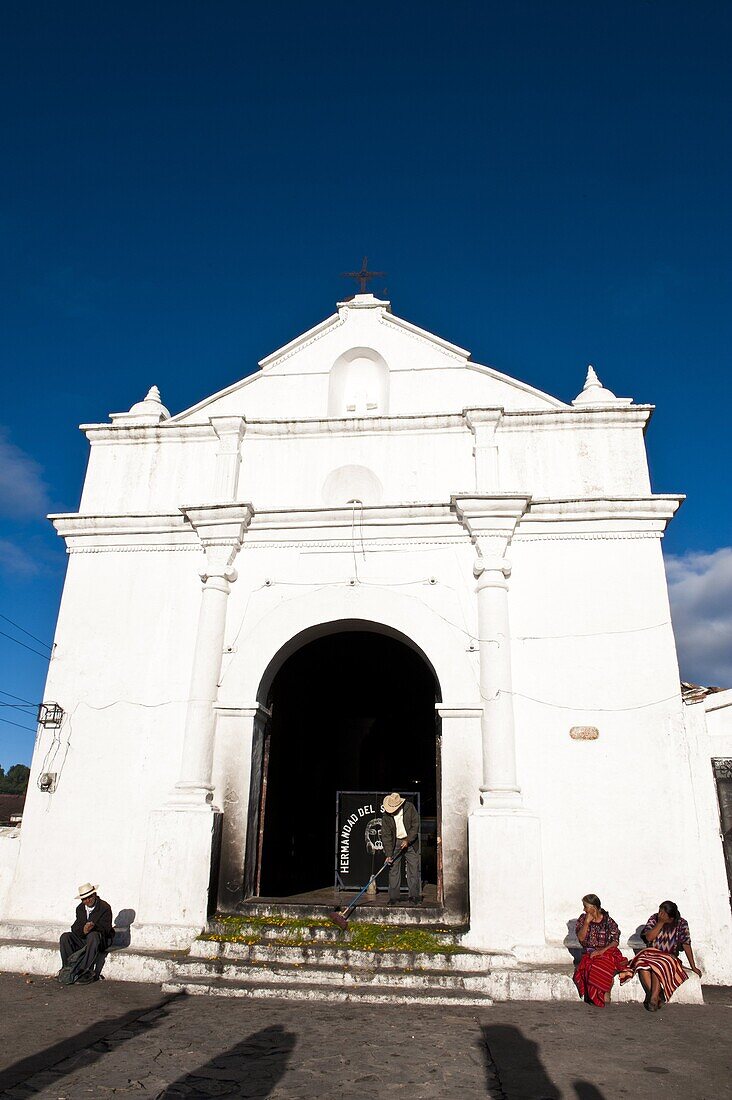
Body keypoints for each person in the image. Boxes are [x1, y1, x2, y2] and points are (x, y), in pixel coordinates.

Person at [619, 900, 702, 1010]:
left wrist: (693, 966)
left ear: (671, 918)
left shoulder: (681, 923)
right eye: (659, 911)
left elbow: (686, 944)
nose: (660, 914)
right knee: (642, 963)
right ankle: (656, 996)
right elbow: (649, 938)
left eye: (663, 913)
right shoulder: (654, 919)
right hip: (651, 953)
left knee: (657, 964)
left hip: (669, 957)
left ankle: (653, 998)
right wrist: (660, 923)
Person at [572, 893, 628, 1007]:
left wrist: (602, 951)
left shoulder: (608, 921)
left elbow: (615, 940)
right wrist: (587, 923)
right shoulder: (583, 920)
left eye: (585, 906)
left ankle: (603, 996)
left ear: (593, 908)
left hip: (607, 952)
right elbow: (581, 938)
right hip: (589, 953)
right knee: (590, 966)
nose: (584, 909)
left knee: (602, 966)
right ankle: (599, 997)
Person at [59, 882, 114, 984]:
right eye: (84, 899)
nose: (87, 900)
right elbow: (75, 927)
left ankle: (84, 971)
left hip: (99, 941)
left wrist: (94, 927)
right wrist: (83, 930)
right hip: (85, 939)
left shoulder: (104, 907)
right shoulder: (80, 909)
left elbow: (106, 929)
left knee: (93, 936)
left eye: (90, 897)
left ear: (95, 895)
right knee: (65, 937)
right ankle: (68, 968)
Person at [380, 792, 421, 905]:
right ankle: (393, 897)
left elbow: (415, 825)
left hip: (410, 842)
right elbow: (386, 836)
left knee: (413, 868)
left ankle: (414, 896)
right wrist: (389, 854)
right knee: (393, 870)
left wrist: (408, 840)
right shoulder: (386, 816)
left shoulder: (410, 808)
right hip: (395, 842)